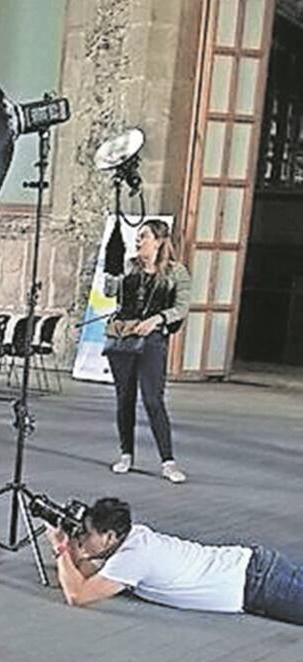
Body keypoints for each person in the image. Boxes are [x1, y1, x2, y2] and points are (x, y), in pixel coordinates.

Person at [48, 497, 303, 626]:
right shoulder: (132, 537)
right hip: (255, 574)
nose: (81, 538)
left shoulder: (133, 557)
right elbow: (82, 573)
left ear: (110, 536)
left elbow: (77, 595)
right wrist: (73, 547)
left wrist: (60, 547)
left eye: (87, 534)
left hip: (259, 583)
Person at [103, 219, 191, 484]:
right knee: (124, 399)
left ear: (159, 241)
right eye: (138, 236)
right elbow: (109, 293)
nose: (138, 241)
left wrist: (157, 319)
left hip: (153, 341)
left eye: (144, 236)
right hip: (124, 339)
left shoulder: (176, 272)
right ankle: (126, 454)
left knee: (153, 399)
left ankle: (168, 461)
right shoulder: (130, 267)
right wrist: (113, 271)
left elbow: (182, 307)